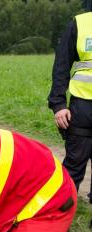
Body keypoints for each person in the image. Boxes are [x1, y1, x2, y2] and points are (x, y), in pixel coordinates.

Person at [48, 10, 92, 216]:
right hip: (82, 107)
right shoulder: (81, 23)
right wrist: (58, 104)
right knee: (74, 164)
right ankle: (59, 215)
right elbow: (61, 65)